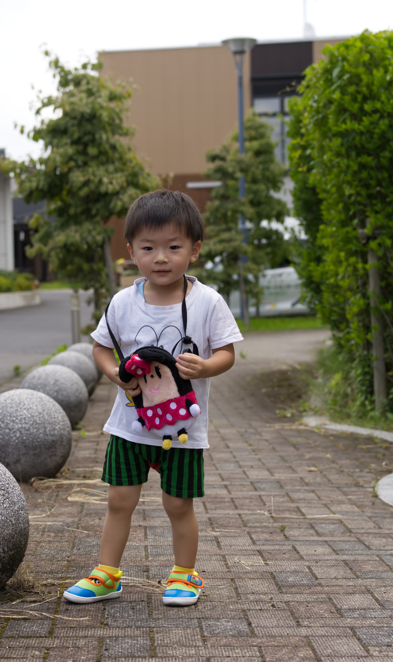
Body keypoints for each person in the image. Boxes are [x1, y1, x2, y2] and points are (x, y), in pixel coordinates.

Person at [62, 190, 243, 607]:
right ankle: (106, 574)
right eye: (148, 247)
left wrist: (207, 366)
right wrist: (114, 374)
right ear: (131, 252)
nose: (161, 257)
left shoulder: (208, 302)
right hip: (129, 426)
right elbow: (101, 348)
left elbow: (228, 353)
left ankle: (184, 575)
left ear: (194, 250)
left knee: (178, 504)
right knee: (118, 499)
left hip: (182, 430)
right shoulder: (123, 303)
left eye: (173, 247)